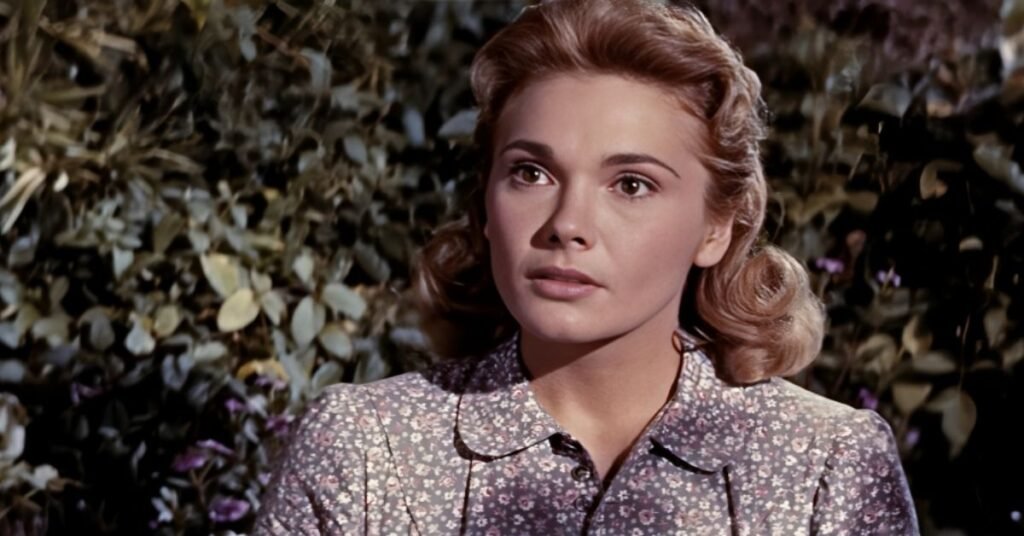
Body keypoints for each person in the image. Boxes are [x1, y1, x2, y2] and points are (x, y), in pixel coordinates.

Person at [253, 0, 919, 534]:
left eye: (631, 184)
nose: (567, 224)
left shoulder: (827, 465)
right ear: (485, 204)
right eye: (531, 173)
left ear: (718, 226)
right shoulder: (365, 452)